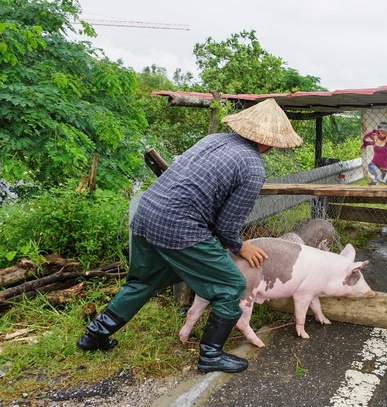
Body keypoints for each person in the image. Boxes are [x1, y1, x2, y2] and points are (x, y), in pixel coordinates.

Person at [76, 98, 302, 374]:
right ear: (271, 142)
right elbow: (228, 225)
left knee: (143, 280)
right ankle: (210, 355)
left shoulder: (213, 140)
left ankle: (93, 336)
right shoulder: (253, 167)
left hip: (147, 213)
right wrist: (240, 246)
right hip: (180, 227)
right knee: (230, 285)